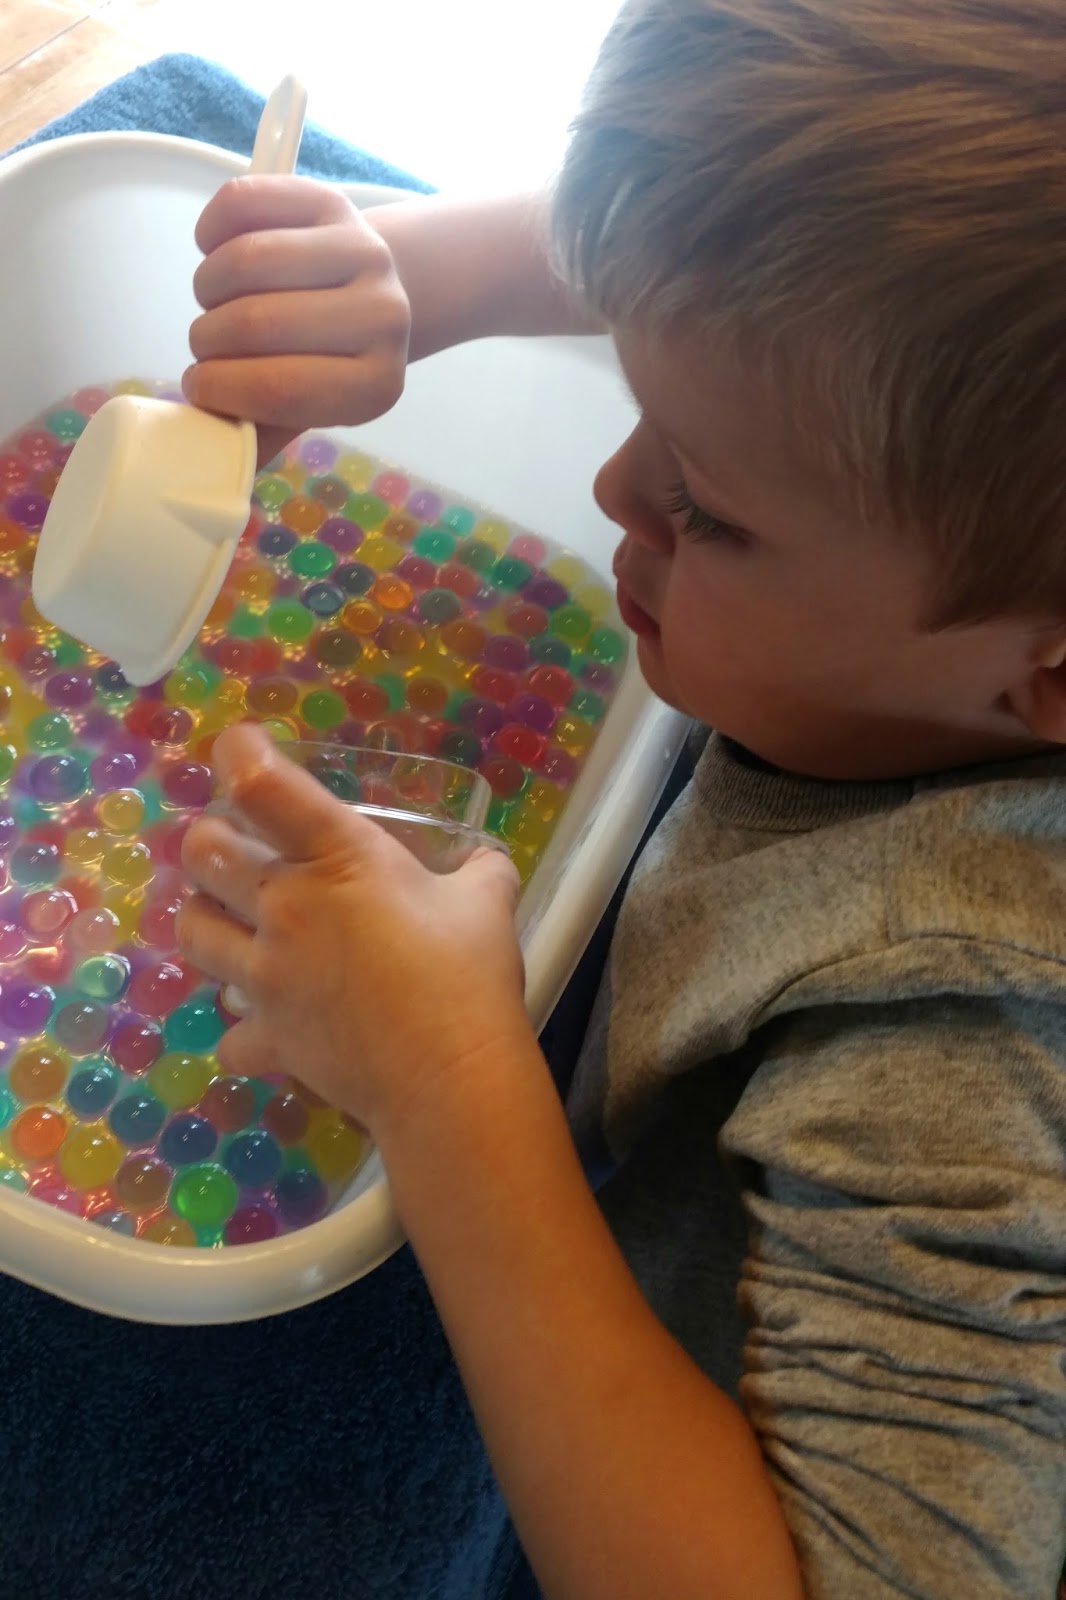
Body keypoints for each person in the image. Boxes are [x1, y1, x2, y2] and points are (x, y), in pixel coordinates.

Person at [174, 2, 1066, 1595]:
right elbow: (733, 270)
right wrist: (426, 276)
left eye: (705, 510)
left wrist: (446, 1080)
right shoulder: (953, 577)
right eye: (638, 387)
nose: (610, 486)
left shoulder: (968, 1048)